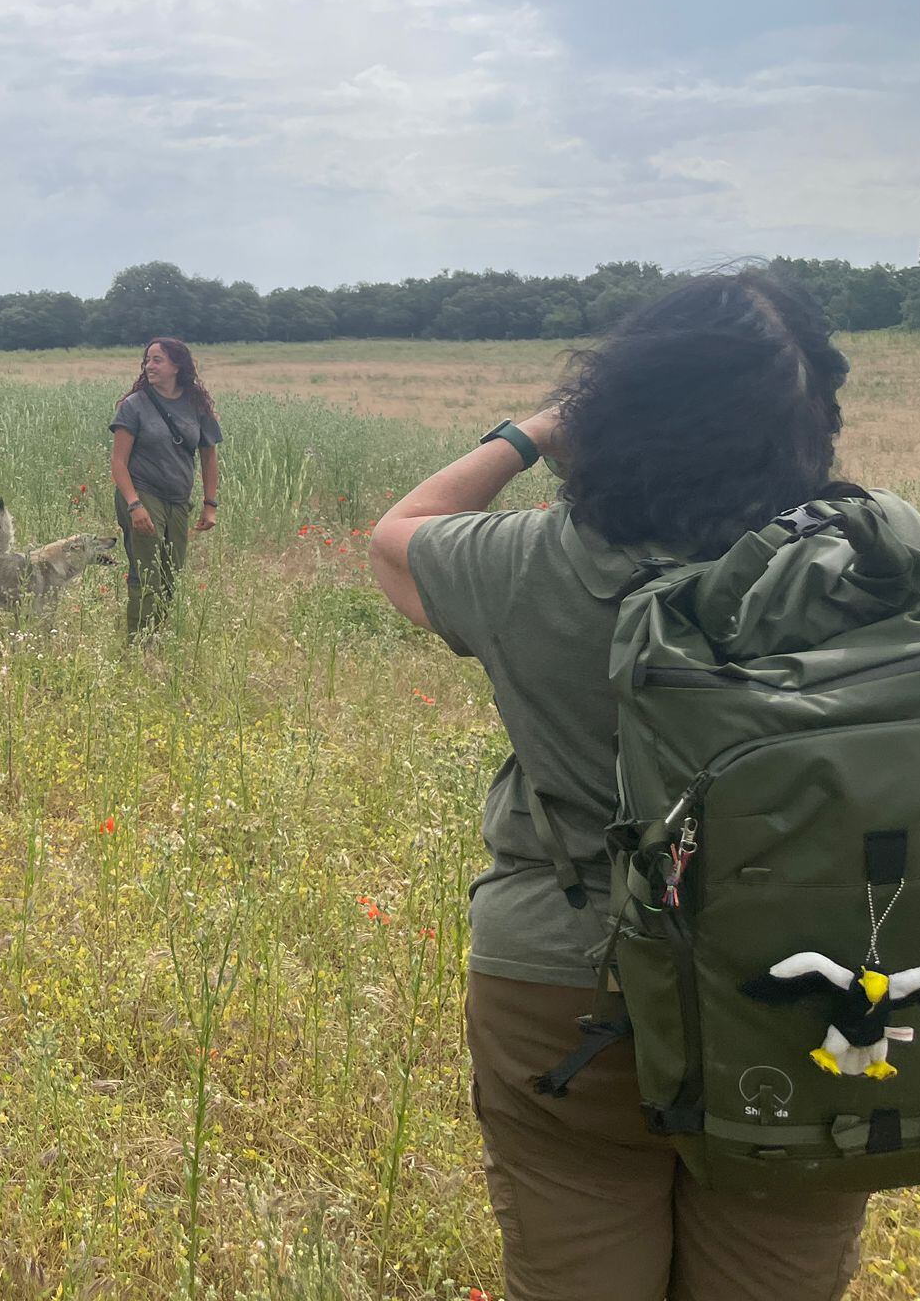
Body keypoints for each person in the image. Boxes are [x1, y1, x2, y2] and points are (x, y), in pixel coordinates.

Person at [368, 271, 873, 1300]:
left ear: (615, 408)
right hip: (807, 980)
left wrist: (531, 432)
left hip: (565, 984)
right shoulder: (871, 566)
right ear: (810, 422)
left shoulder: (526, 565)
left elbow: (394, 537)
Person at [109, 336, 221, 637]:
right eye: (147, 360)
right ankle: (138, 644)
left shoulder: (196, 405)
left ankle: (156, 636)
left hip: (179, 499)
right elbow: (118, 462)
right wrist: (134, 505)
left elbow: (209, 456)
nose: (149, 366)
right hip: (142, 494)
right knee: (147, 572)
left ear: (177, 366)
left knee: (172, 574)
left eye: (157, 360)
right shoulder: (133, 406)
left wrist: (210, 504)